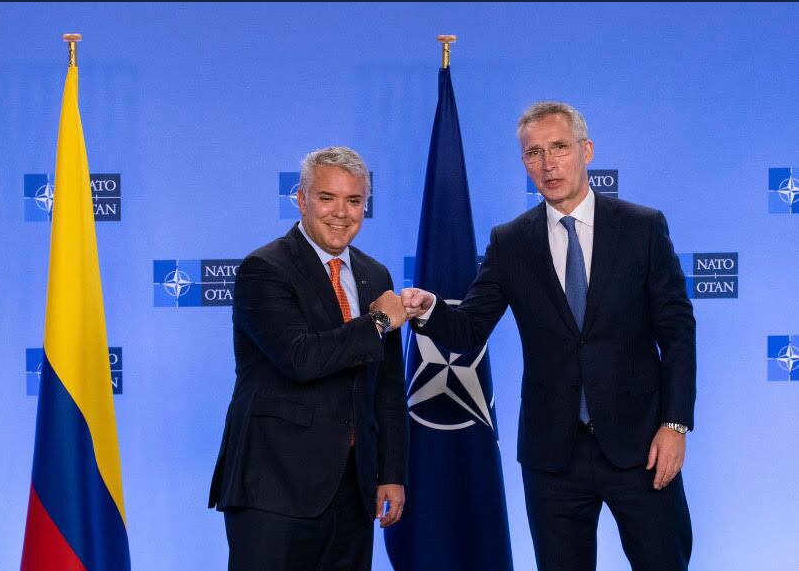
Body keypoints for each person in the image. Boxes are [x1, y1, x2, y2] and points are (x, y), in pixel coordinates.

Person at [402, 102, 695, 571]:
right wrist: (430, 309)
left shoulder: (642, 227)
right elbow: (469, 328)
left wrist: (675, 424)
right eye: (533, 153)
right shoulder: (511, 241)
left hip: (641, 446)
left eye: (558, 147)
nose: (547, 163)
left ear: (586, 150)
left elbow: (677, 333)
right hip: (552, 457)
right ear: (524, 163)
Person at [209, 146, 409, 571]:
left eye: (354, 201)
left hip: (353, 491)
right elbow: (300, 357)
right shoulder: (264, 269)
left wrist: (390, 473)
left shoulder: (376, 275)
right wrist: (377, 321)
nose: (341, 212)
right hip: (274, 489)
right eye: (327, 198)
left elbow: (387, 387)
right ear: (301, 200)